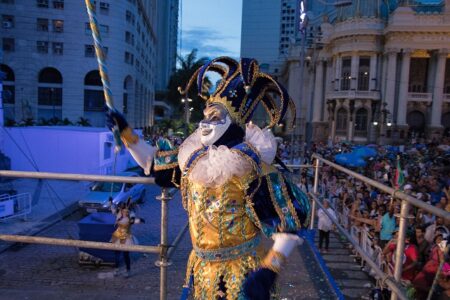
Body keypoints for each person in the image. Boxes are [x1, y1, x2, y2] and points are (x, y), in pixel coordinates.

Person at [106, 57, 311, 299]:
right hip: (203, 272)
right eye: (205, 115)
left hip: (242, 273)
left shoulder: (251, 166)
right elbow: (152, 162)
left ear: (233, 121)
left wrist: (268, 271)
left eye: (214, 116)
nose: (205, 122)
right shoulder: (193, 160)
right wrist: (126, 131)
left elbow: (290, 221)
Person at [109, 197, 145, 278]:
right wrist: (111, 203)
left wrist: (138, 220)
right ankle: (116, 269)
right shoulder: (118, 212)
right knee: (117, 254)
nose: (123, 210)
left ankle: (128, 271)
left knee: (126, 255)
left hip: (126, 236)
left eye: (124, 208)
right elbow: (113, 210)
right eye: (121, 208)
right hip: (118, 235)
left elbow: (133, 220)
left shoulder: (130, 214)